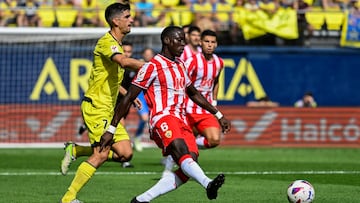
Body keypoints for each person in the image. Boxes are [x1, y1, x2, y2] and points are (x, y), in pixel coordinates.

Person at [98, 25, 231, 203]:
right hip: (162, 118)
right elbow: (128, 97)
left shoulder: (180, 64)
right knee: (182, 152)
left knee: (188, 166)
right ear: (167, 41)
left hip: (181, 119)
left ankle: (141, 200)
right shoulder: (152, 66)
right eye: (179, 40)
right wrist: (111, 129)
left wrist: (218, 115)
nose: (183, 44)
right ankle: (208, 184)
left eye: (184, 40)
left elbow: (194, 93)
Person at [60, 3, 144, 203]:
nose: (132, 20)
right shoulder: (107, 43)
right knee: (101, 154)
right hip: (96, 107)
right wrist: (152, 65)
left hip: (109, 108)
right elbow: (123, 62)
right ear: (116, 21)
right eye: (127, 16)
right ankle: (68, 198)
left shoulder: (117, 43)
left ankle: (77, 150)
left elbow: (111, 78)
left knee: (125, 154)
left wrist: (127, 96)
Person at [162, 29, 225, 173]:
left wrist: (214, 103)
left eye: (213, 42)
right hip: (188, 109)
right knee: (183, 148)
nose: (209, 45)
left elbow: (216, 82)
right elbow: (181, 81)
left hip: (205, 109)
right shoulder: (191, 61)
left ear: (216, 44)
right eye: (207, 42)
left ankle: (188, 147)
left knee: (214, 140)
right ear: (200, 43)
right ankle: (166, 172)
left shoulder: (219, 62)